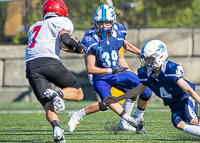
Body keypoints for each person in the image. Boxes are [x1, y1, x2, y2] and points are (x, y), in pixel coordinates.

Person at [67, 4, 152, 134]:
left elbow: (126, 45)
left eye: (107, 23)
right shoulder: (91, 38)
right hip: (101, 76)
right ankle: (78, 115)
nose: (104, 26)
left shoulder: (119, 31)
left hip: (117, 71)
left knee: (145, 90)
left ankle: (135, 120)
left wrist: (144, 54)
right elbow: (90, 68)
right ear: (96, 22)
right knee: (106, 102)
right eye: (101, 23)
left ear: (113, 22)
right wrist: (111, 71)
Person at [104, 39, 200, 137]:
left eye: (149, 58)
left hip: (184, 97)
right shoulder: (145, 73)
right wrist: (117, 98)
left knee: (193, 120)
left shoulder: (170, 69)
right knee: (178, 124)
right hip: (173, 102)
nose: (146, 62)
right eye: (145, 58)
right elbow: (138, 90)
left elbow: (187, 89)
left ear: (160, 57)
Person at [25, 0, 85, 142]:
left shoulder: (34, 26)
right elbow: (66, 41)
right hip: (49, 62)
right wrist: (79, 47)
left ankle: (57, 128)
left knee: (48, 106)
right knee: (78, 93)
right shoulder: (62, 21)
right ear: (62, 11)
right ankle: (58, 94)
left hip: (31, 66)